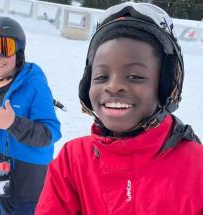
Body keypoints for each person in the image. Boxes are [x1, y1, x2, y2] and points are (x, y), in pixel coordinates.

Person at [35, 2, 203, 215]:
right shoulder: (72, 161)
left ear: (166, 85)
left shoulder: (197, 169)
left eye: (135, 76)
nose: (113, 86)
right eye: (101, 77)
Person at [0, 16, 62, 215]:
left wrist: (15, 123)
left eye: (5, 48)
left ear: (18, 51)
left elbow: (51, 133)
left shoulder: (34, 85)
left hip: (24, 182)